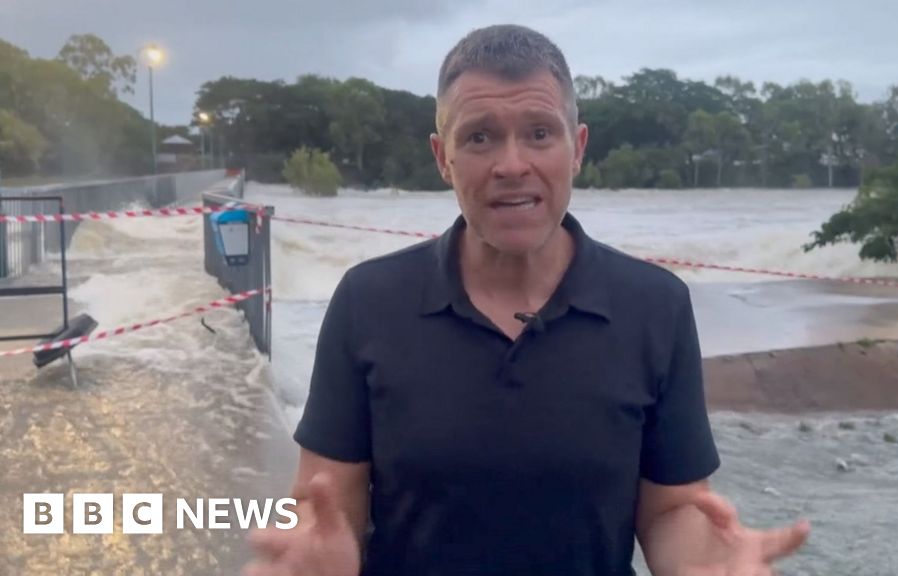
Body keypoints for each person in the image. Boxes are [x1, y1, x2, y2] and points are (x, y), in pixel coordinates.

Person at [244, 24, 810, 576]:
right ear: (443, 157)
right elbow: (324, 503)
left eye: (539, 133)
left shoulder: (654, 306)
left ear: (577, 146)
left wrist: (705, 563)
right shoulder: (368, 301)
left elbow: (671, 509)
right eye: (480, 137)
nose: (512, 165)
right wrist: (319, 556)